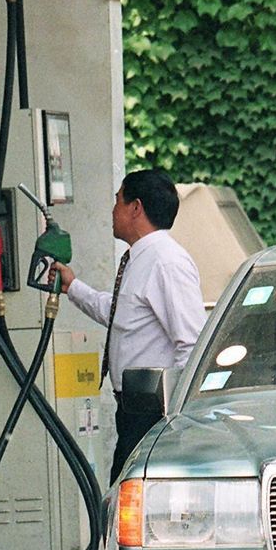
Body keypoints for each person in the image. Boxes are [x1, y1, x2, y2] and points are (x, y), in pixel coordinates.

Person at [51, 169, 205, 484]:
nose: (112, 210)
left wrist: (175, 418)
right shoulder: (141, 258)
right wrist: (73, 287)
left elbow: (191, 342)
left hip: (155, 414)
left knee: (133, 504)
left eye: (118, 200)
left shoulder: (165, 261)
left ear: (135, 207)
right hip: (133, 411)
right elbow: (124, 314)